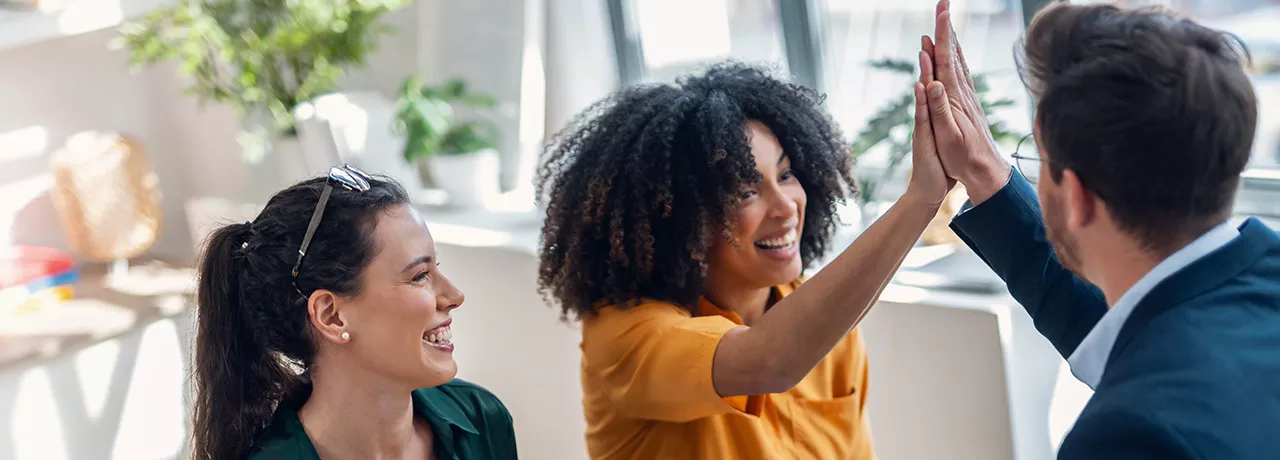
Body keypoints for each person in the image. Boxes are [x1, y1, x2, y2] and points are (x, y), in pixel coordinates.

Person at [536, 62, 952, 459]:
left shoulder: (828, 322)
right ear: (679, 218)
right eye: (745, 191)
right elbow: (769, 362)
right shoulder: (624, 336)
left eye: (786, 175)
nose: (786, 207)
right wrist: (920, 201)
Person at [921, 1, 1280, 458]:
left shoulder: (1126, 434)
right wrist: (985, 172)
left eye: (1041, 159)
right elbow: (1142, 336)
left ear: (1077, 196)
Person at [191, 165, 518, 459]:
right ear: (332, 316)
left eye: (437, 268)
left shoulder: (482, 419)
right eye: (420, 275)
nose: (454, 296)